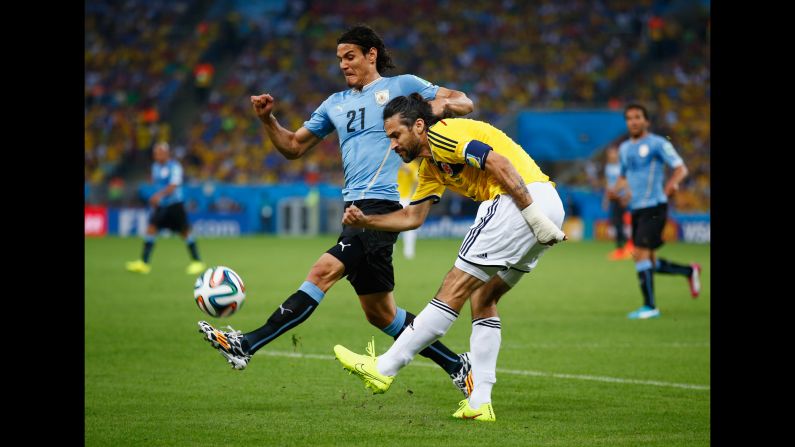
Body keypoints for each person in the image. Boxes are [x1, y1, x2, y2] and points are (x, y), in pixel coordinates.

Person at [197, 25, 477, 396]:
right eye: (339, 59)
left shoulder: (401, 85)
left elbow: (464, 101)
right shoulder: (334, 104)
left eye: (350, 57)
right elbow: (294, 147)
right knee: (382, 314)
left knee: (322, 271)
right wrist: (268, 120)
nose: (343, 65)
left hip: (380, 207)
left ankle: (247, 344)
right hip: (354, 209)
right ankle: (459, 366)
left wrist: (439, 105)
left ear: (371, 55)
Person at [333, 93, 567, 422]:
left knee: (453, 287)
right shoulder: (431, 167)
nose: (392, 145)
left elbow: (499, 164)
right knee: (483, 297)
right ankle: (480, 402)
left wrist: (533, 216)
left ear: (418, 126)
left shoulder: (443, 133)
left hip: (520, 200)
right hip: (545, 204)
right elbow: (412, 218)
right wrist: (366, 220)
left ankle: (384, 367)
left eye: (396, 135)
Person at [607, 104, 701, 320]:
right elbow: (623, 177)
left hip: (655, 206)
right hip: (636, 208)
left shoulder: (658, 144)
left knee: (639, 253)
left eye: (638, 117)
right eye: (629, 118)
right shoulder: (624, 149)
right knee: (647, 259)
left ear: (646, 121)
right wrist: (615, 192)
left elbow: (681, 168)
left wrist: (672, 184)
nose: (634, 121)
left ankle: (650, 306)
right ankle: (690, 271)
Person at [126, 142, 206, 275]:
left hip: (175, 205)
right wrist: (157, 198)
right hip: (162, 205)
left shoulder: (175, 167)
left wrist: (157, 196)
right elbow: (157, 184)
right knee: (151, 229)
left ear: (167, 153)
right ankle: (144, 263)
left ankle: (197, 262)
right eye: (155, 153)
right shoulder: (155, 167)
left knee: (184, 232)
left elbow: (173, 186)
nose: (157, 155)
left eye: (159, 153)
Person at [603, 145, 633, 260]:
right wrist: (605, 200)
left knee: (622, 223)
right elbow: (608, 184)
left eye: (613, 153)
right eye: (609, 153)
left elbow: (626, 182)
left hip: (622, 198)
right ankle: (621, 248)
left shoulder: (621, 166)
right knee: (616, 223)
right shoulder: (608, 167)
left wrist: (627, 195)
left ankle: (624, 248)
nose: (611, 155)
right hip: (613, 199)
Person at [397, 159, 421, 259]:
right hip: (393, 198)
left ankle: (409, 252)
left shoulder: (412, 165)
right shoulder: (392, 164)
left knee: (409, 226)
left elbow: (418, 179)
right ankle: (389, 250)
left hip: (405, 199)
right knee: (390, 226)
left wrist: (408, 170)